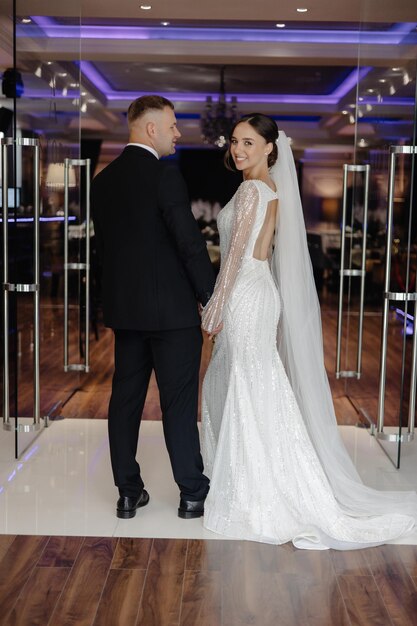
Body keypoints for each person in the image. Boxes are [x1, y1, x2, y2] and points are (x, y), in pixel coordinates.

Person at [201, 113, 417, 550]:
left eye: (247, 142)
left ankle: (252, 487)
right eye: (234, 142)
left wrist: (213, 310)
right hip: (260, 292)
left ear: (269, 148)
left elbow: (236, 255)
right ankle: (269, 476)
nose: (237, 150)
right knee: (257, 384)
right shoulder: (273, 189)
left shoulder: (250, 190)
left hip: (244, 294)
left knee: (243, 384)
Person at [91, 95, 215, 520]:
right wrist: (210, 298)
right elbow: (189, 244)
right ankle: (192, 493)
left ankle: (128, 493)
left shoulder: (102, 181)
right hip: (173, 315)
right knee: (178, 403)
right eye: (173, 125)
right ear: (150, 129)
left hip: (127, 314)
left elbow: (103, 252)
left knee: (124, 400)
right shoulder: (166, 177)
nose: (178, 133)